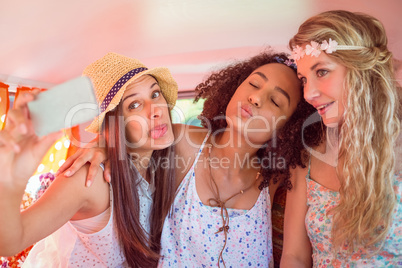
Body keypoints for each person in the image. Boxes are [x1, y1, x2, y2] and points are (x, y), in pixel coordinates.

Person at [59, 50, 322, 267]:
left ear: (288, 127)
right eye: (253, 84)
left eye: (275, 101)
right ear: (235, 86)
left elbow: (295, 258)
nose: (255, 97)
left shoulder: (280, 174)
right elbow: (130, 129)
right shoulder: (185, 141)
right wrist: (102, 145)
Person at [0, 52, 179, 267]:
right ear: (115, 124)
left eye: (155, 94)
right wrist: (10, 179)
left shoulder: (162, 168)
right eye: (134, 105)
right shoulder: (91, 177)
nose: (156, 110)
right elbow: (10, 242)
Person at [281, 10, 401, 267]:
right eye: (303, 79)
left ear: (361, 69)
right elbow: (294, 257)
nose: (308, 93)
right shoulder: (307, 160)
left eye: (322, 72)